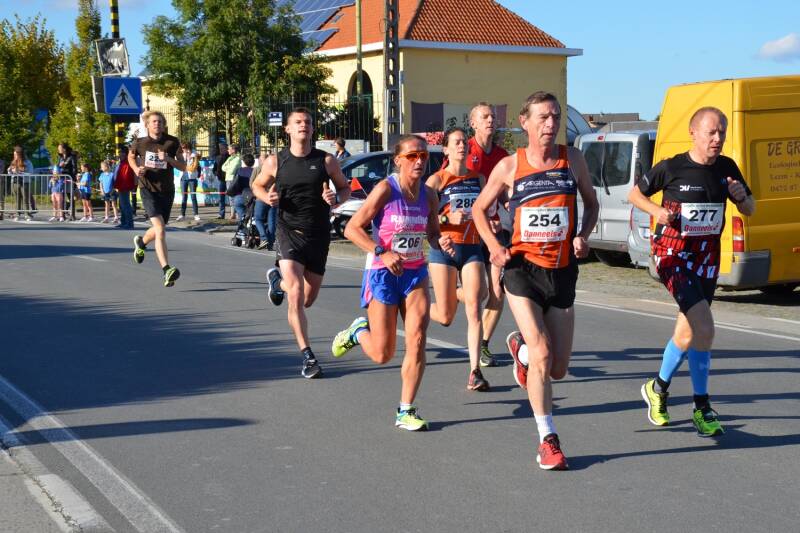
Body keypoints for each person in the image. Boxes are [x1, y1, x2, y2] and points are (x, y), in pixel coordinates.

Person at [473, 92, 599, 470]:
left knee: (557, 368)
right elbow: (480, 209)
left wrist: (583, 235)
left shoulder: (572, 159)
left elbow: (591, 204)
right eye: (543, 117)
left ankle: (521, 352)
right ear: (525, 123)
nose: (551, 124)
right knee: (544, 353)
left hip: (561, 271)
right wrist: (494, 247)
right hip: (521, 269)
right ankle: (548, 439)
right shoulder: (510, 167)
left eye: (556, 117)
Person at [630, 107, 755, 437]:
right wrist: (658, 211)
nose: (718, 139)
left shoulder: (727, 169)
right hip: (673, 255)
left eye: (722, 133)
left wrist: (742, 199)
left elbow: (750, 208)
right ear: (694, 133)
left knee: (687, 333)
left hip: (706, 260)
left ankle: (657, 388)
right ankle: (702, 406)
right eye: (712, 132)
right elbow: (634, 194)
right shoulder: (673, 167)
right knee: (705, 326)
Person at [331, 135, 455, 430]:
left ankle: (406, 410)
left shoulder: (429, 195)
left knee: (417, 339)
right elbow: (352, 228)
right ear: (398, 160)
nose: (419, 161)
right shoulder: (386, 189)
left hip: (414, 273)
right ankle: (358, 330)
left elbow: (432, 233)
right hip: (383, 273)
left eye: (423, 156)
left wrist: (442, 241)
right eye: (412, 156)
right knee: (382, 354)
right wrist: (382, 252)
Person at [252, 107, 351, 379]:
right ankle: (308, 356)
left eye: (307, 122)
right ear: (287, 129)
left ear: (312, 128)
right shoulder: (276, 161)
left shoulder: (326, 161)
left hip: (318, 235)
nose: (303, 126)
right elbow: (257, 185)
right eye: (297, 122)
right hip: (288, 231)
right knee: (295, 294)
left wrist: (336, 199)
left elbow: (345, 188)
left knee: (307, 299)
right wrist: (266, 198)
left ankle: (276, 281)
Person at [426, 127, 490, 391]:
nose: (462, 146)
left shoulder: (479, 179)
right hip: (443, 251)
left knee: (475, 306)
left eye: (465, 142)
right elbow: (424, 220)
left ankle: (474, 371)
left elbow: (486, 211)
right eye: (456, 142)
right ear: (446, 149)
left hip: (472, 248)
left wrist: (492, 225)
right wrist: (445, 219)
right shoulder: (436, 181)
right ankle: (411, 304)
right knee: (445, 316)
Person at [467, 103, 510, 368]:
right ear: (473, 123)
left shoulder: (504, 156)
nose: (490, 120)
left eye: (493, 116)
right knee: (476, 293)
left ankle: (482, 344)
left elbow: (505, 195)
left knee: (498, 290)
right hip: (469, 232)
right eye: (484, 116)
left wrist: (509, 208)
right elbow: (452, 189)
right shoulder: (464, 150)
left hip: (495, 233)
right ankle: (451, 293)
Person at [128, 110, 186, 287]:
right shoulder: (140, 143)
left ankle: (141, 242)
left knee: (159, 228)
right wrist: (137, 170)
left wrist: (168, 158)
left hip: (167, 190)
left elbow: (183, 166)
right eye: (154, 121)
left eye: (160, 121)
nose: (157, 124)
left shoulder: (172, 142)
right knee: (160, 229)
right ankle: (166, 270)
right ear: (147, 125)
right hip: (147, 189)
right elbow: (131, 158)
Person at [254, 151, 276, 250]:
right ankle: (270, 243)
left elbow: (252, 184)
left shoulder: (258, 169)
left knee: (258, 218)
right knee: (272, 221)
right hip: (274, 197)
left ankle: (264, 238)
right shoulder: (277, 169)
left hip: (261, 197)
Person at [8, 146, 35, 221]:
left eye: (16, 154)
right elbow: (10, 173)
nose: (15, 155)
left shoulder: (27, 162)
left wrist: (19, 172)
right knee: (17, 199)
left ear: (20, 154)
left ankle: (27, 215)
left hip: (25, 182)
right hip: (15, 182)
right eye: (14, 154)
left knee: (25, 199)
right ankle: (17, 214)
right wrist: (10, 170)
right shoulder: (13, 162)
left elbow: (30, 173)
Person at [114, 146, 137, 230]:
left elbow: (126, 176)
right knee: (122, 205)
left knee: (125, 205)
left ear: (125, 154)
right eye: (120, 152)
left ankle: (129, 223)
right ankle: (124, 222)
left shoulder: (126, 163)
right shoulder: (122, 162)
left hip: (124, 186)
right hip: (121, 186)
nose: (120, 154)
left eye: (122, 152)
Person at [176, 142, 200, 221]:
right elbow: (178, 163)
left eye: (184, 148)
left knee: (193, 196)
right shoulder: (181, 155)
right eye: (182, 148)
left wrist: (190, 155)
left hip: (192, 178)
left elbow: (195, 166)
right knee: (184, 197)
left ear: (188, 148)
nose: (183, 150)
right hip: (183, 177)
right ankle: (182, 214)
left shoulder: (194, 154)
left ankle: (196, 214)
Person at [228, 153, 255, 221]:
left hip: (239, 196)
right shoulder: (255, 171)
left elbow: (235, 183)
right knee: (252, 219)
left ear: (243, 162)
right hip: (251, 197)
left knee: (242, 219)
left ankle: (242, 229)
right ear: (253, 162)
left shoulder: (239, 170)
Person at [57, 142, 78, 220]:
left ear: (64, 149)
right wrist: (59, 167)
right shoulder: (60, 157)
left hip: (69, 178)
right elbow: (57, 167)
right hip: (61, 179)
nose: (58, 150)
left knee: (70, 197)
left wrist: (72, 177)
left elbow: (74, 168)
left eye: (60, 148)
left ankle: (72, 215)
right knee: (61, 197)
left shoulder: (72, 157)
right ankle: (62, 215)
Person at [222, 143, 242, 220]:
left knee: (234, 197)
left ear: (233, 150)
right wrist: (228, 168)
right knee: (230, 197)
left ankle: (235, 213)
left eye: (229, 149)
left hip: (233, 179)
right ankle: (232, 213)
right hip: (228, 179)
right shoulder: (230, 158)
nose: (227, 150)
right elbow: (223, 167)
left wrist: (228, 168)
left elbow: (231, 171)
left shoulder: (237, 158)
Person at [215, 142, 229, 219]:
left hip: (229, 179)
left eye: (222, 149)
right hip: (221, 180)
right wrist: (216, 173)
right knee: (221, 198)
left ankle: (233, 214)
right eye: (220, 149)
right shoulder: (218, 158)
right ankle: (221, 214)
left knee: (232, 198)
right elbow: (215, 168)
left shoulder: (229, 157)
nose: (221, 150)